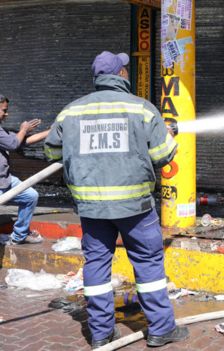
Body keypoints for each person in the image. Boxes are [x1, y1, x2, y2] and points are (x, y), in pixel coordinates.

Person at [44, 51, 188, 349]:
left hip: (92, 208)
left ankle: (101, 334)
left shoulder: (71, 112)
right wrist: (169, 136)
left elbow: (53, 154)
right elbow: (163, 156)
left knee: (96, 266)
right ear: (121, 75)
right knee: (148, 265)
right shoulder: (142, 110)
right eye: (126, 69)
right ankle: (161, 329)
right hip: (135, 207)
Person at [0, 94, 49, 245]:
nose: (6, 114)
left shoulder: (2, 131)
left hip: (5, 180)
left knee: (30, 196)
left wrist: (51, 131)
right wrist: (23, 128)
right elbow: (14, 144)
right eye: (3, 110)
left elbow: (21, 141)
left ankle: (19, 235)